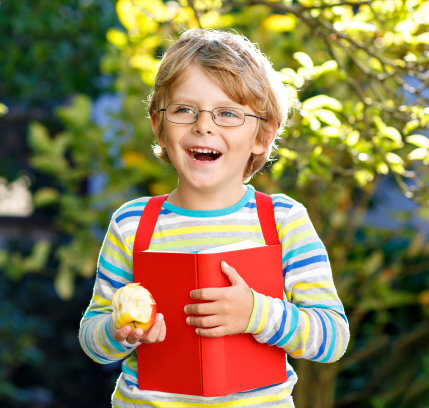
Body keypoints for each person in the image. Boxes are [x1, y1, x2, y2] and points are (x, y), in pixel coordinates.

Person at [79, 28, 349, 407]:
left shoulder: (283, 221)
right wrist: (117, 331)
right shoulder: (133, 224)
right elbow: (94, 342)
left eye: (227, 113)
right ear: (159, 125)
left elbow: (332, 338)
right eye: (184, 109)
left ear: (262, 135)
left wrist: (257, 313)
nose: (203, 126)